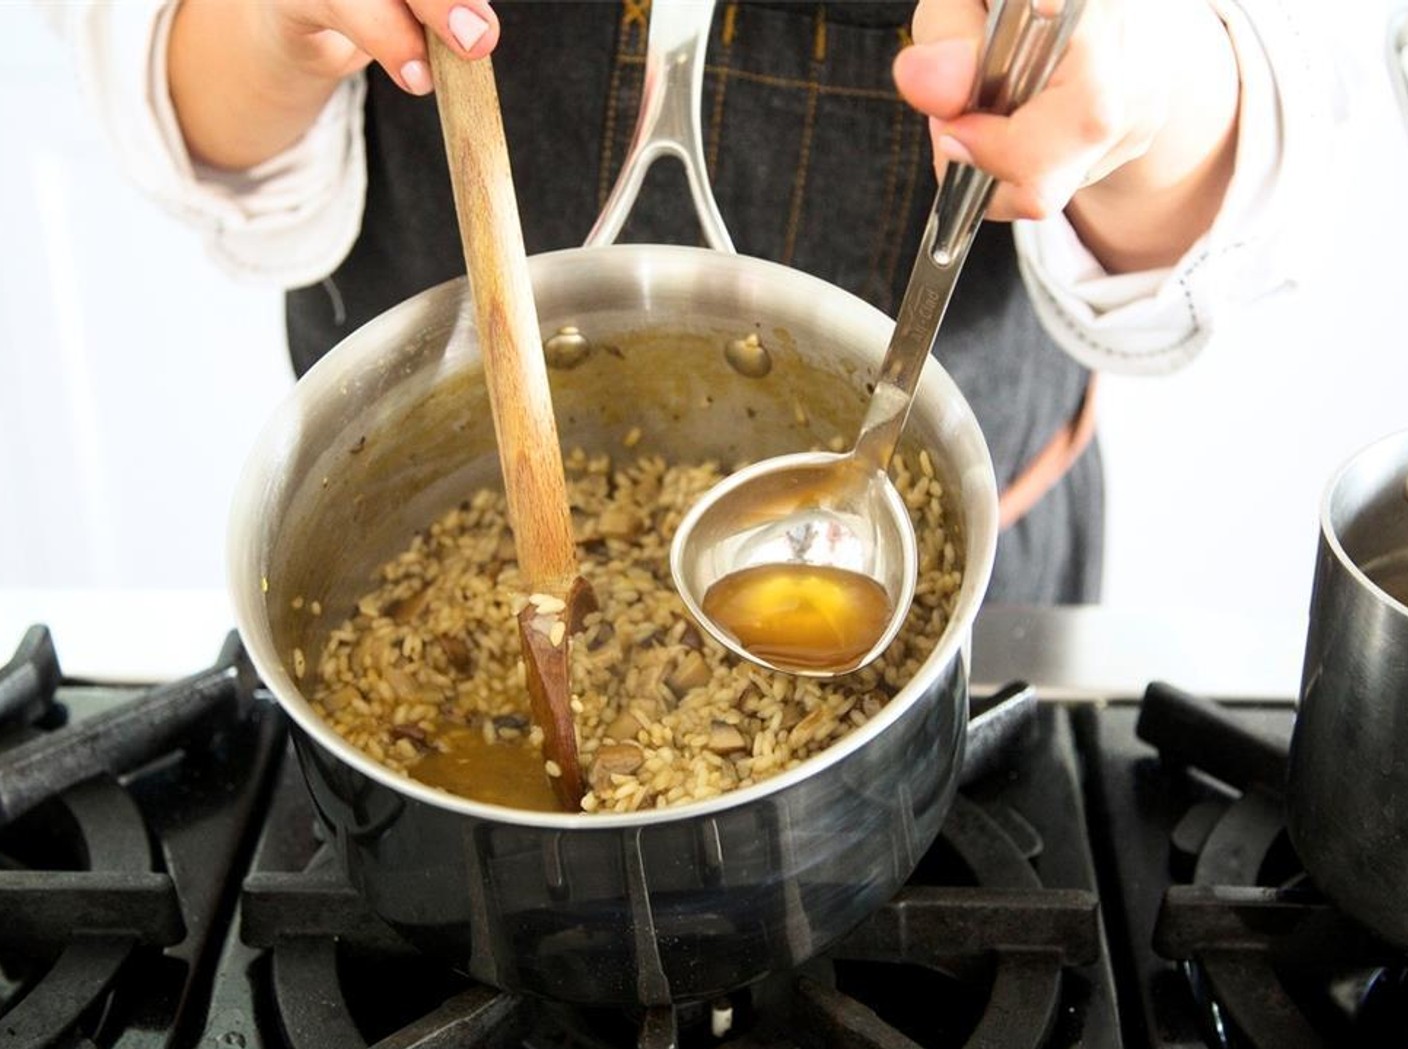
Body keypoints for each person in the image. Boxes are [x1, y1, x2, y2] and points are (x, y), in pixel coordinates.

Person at [48, 0, 1333, 604]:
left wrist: (1153, 98)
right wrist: (271, 28)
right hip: (414, 564)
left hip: (974, 608)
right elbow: (156, 60)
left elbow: (1318, 86)